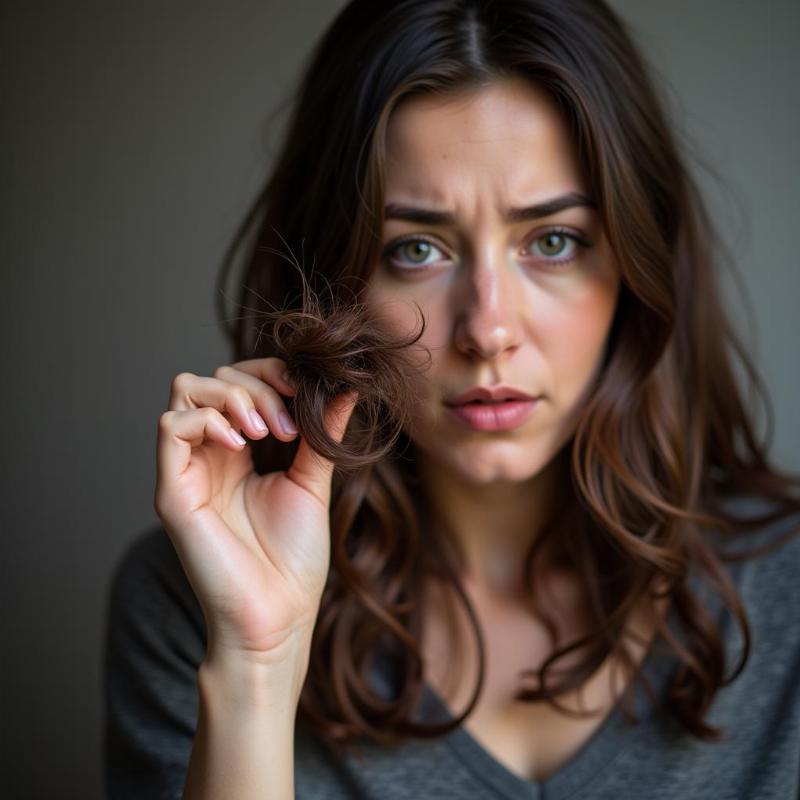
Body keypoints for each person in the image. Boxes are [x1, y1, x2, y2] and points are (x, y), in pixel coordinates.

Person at [103, 1, 800, 798]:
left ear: (637, 268)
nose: (488, 329)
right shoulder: (194, 598)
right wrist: (257, 666)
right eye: (417, 249)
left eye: (553, 241)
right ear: (339, 282)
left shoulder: (790, 590)